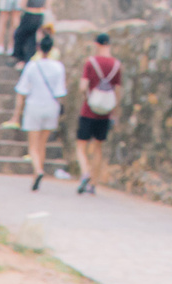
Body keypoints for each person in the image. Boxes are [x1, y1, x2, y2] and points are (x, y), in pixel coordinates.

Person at [16, 32, 66, 192]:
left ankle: (37, 170)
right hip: (51, 107)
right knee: (42, 144)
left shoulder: (32, 66)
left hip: (34, 106)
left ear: (38, 48)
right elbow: (60, 92)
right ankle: (39, 170)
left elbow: (22, 89)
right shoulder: (58, 67)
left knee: (33, 145)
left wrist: (17, 113)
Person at [74, 32, 122, 195]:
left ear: (97, 45)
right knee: (98, 147)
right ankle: (94, 182)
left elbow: (83, 86)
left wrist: (86, 96)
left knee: (81, 146)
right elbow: (118, 91)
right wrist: (114, 111)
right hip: (105, 112)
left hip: (89, 109)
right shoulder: (116, 65)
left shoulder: (91, 62)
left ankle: (85, 172)